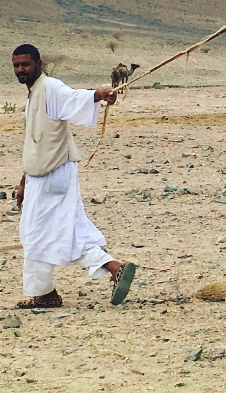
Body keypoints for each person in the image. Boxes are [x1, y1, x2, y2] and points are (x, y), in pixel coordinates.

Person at [12, 44, 136, 308]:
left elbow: (74, 97)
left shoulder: (51, 88)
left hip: (53, 175)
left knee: (37, 234)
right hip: (39, 177)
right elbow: (33, 143)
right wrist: (23, 183)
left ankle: (45, 294)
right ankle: (112, 267)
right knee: (62, 231)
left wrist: (100, 94)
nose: (20, 69)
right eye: (16, 65)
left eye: (25, 64)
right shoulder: (33, 94)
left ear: (39, 64)